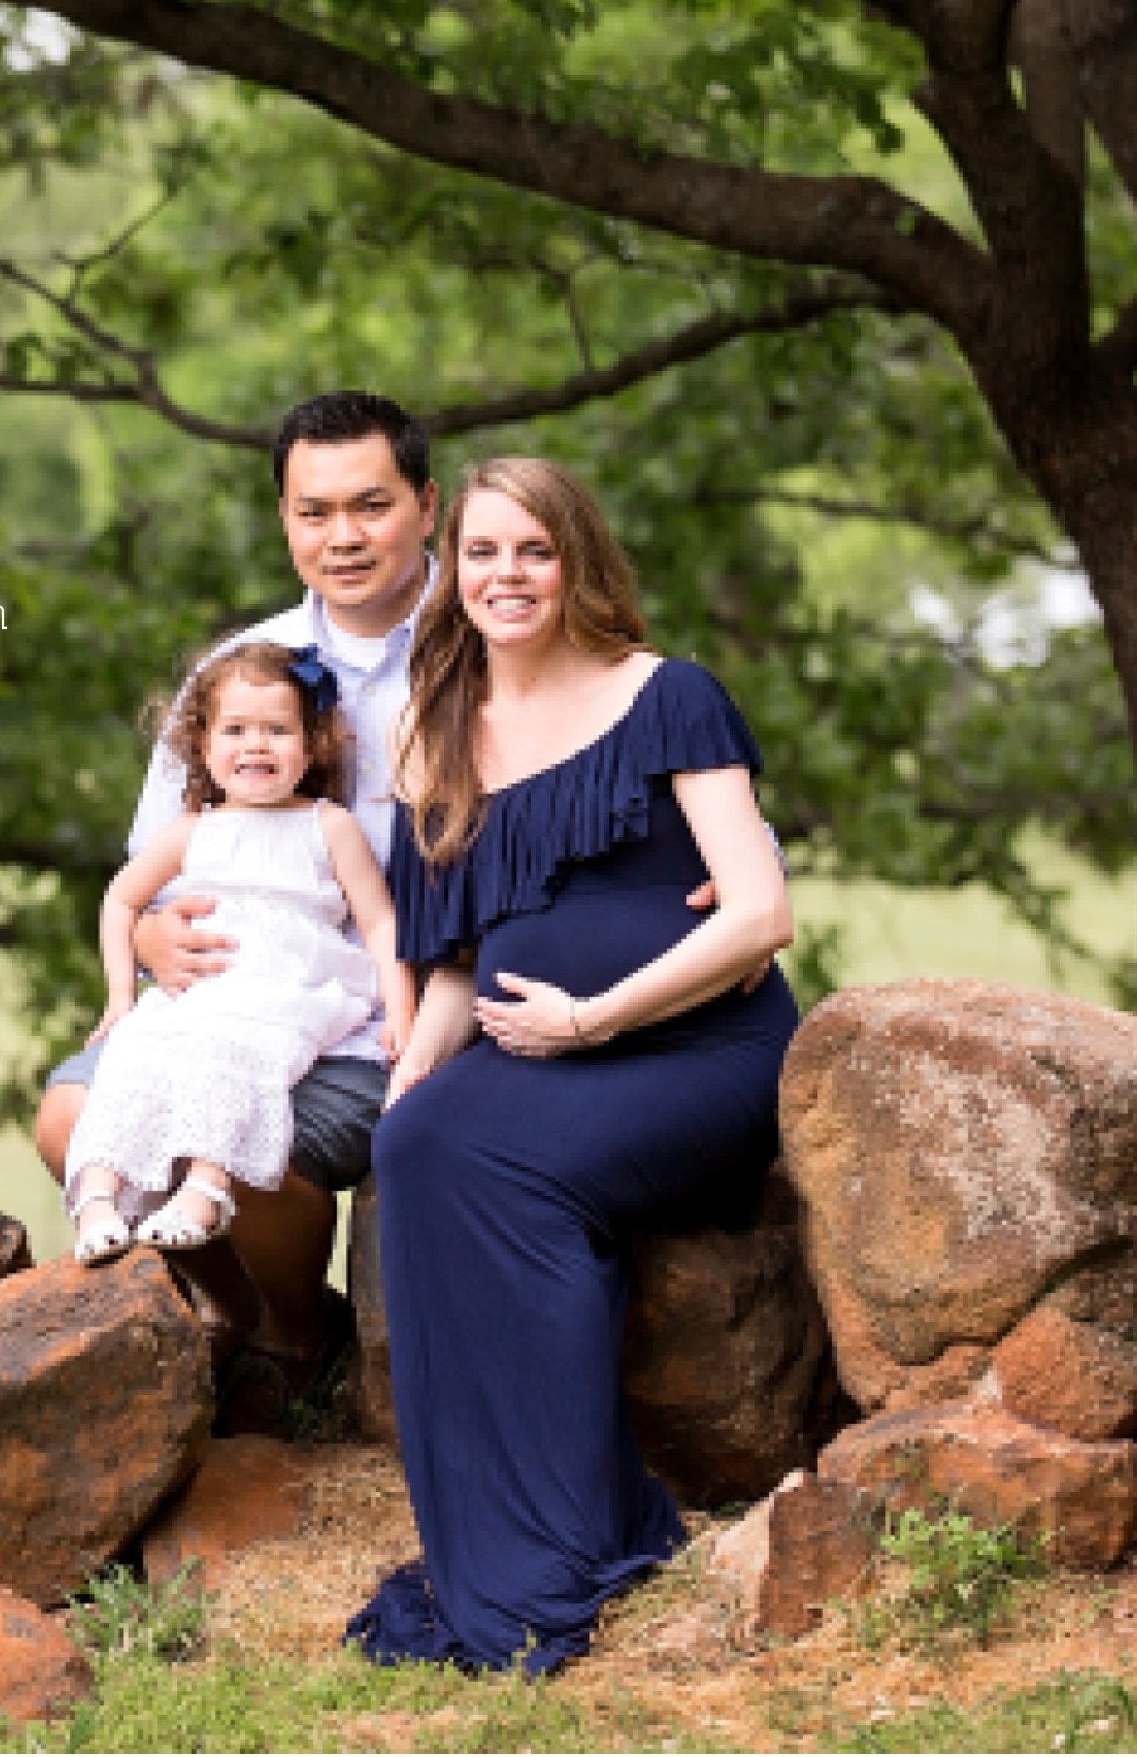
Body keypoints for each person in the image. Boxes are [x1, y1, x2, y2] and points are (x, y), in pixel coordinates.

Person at [347, 455, 799, 1676]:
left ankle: (572, 1534)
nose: (506, 575)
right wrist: (410, 1077)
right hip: (541, 1052)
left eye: (533, 551)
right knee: (417, 1142)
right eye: (482, 552)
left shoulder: (668, 695)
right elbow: (452, 968)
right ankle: (502, 1532)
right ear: (452, 571)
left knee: (503, 1169)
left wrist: (593, 1018)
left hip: (698, 1047)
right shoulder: (433, 733)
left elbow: (758, 912)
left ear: (575, 562)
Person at [34, 390, 438, 1407]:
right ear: (284, 519)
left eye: (371, 504)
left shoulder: (487, 650)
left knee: (250, 1146)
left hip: (365, 1013)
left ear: (427, 505)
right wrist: (149, 939)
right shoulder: (235, 672)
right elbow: (156, 867)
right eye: (314, 511)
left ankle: (299, 1337)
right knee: (69, 1117)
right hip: (216, 994)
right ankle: (243, 1315)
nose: (342, 536)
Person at [68, 642, 417, 1261]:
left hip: (287, 990)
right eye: (235, 730)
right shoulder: (191, 830)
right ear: (202, 745)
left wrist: (402, 1012)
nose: (256, 745)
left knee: (234, 1052)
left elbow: (379, 920)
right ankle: (98, 1198)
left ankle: (206, 1188)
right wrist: (121, 996)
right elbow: (121, 899)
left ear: (311, 745)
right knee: (134, 1053)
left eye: (277, 730)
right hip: (205, 987)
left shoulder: (328, 826)